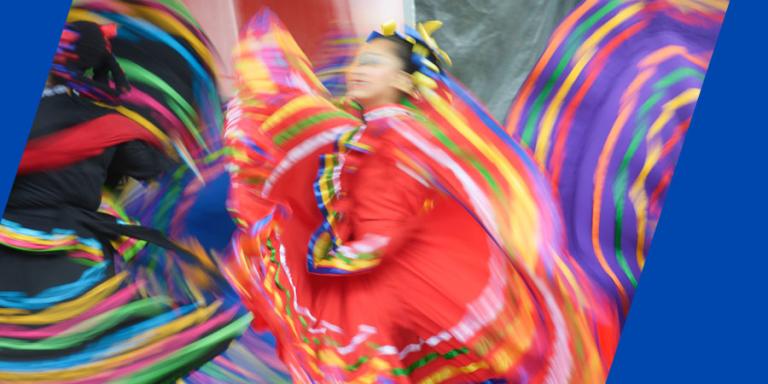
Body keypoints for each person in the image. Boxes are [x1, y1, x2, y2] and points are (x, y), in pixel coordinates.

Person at [226, 10, 619, 383]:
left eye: (375, 63)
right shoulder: (358, 130)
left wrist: (350, 255)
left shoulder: (405, 134)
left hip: (403, 278)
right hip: (378, 276)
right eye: (360, 61)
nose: (359, 70)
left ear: (402, 82)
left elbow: (414, 204)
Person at [0, 20, 247, 384]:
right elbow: (156, 170)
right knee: (93, 348)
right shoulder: (106, 122)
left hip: (14, 248)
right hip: (72, 255)